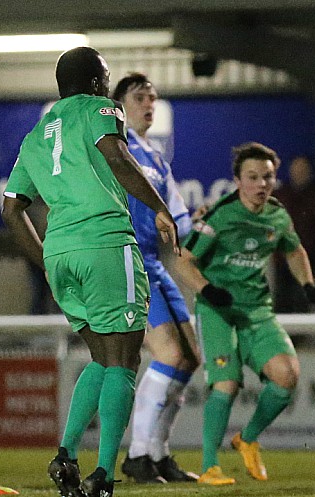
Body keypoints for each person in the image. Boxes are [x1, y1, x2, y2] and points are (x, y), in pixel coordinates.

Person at [1, 47, 179, 497]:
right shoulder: (101, 108)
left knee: (101, 357)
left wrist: (45, 260)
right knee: (123, 361)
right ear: (98, 81)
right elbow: (117, 157)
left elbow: (11, 209)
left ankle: (65, 455)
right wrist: (159, 208)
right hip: (104, 242)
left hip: (61, 252)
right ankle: (102, 475)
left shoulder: (36, 134)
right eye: (105, 75)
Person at [174, 142, 315, 485]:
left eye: (268, 177)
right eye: (253, 177)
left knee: (287, 375)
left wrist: (308, 284)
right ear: (237, 180)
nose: (261, 184)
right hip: (218, 311)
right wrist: (206, 289)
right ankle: (209, 466)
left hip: (257, 310)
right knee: (226, 384)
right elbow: (183, 260)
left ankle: (247, 438)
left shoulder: (277, 215)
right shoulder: (221, 215)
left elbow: (294, 250)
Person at [111, 73, 199, 484]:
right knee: (168, 355)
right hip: (125, 261)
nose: (150, 103)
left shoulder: (157, 159)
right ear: (119, 103)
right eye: (141, 96)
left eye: (154, 97)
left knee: (190, 357)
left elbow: (180, 221)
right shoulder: (113, 147)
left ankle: (159, 453)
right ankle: (138, 454)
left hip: (154, 262)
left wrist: (203, 228)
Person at [273, 154, 315, 312]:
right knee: (283, 299)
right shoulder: (281, 195)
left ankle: (301, 336)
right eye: (296, 170)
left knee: (303, 299)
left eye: (303, 170)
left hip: (308, 254)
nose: (299, 173)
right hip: (282, 257)